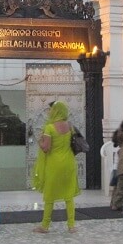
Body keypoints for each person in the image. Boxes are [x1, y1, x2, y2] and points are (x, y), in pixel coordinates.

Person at [32, 100, 80, 233]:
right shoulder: (69, 126)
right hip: (69, 163)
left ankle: (45, 226)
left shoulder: (49, 128)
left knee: (50, 196)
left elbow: (46, 148)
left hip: (54, 164)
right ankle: (71, 226)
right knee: (69, 196)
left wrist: (40, 141)